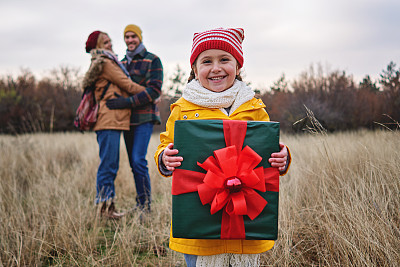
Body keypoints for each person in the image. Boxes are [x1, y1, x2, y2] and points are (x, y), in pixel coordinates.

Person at [154, 28, 292, 267]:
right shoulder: (183, 109)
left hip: (245, 218)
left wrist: (283, 157)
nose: (216, 68)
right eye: (206, 61)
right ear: (195, 69)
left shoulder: (253, 107)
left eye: (224, 59)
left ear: (238, 67)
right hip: (201, 219)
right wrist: (164, 159)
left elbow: (269, 149)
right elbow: (165, 145)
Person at [83, 31, 146, 219]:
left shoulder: (107, 61)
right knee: (108, 165)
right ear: (97, 46)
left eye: (110, 41)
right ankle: (104, 210)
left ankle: (108, 207)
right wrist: (151, 93)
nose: (110, 44)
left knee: (110, 164)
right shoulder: (105, 63)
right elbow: (127, 84)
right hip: (107, 119)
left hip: (113, 120)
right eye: (105, 41)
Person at [106, 24, 163, 213]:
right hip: (126, 119)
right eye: (127, 37)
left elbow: (154, 91)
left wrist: (126, 102)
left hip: (145, 118)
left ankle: (146, 207)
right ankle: (140, 202)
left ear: (140, 37)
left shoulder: (153, 60)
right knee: (133, 164)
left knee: (139, 160)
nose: (130, 40)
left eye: (133, 36)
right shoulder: (120, 63)